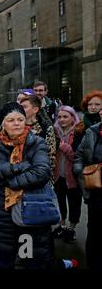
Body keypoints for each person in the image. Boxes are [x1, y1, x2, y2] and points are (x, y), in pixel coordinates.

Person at [0, 102, 53, 269]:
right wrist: (18, 167)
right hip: (3, 215)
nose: (16, 123)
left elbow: (42, 172)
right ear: (3, 123)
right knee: (5, 261)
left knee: (28, 259)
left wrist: (10, 181)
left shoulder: (36, 143)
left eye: (20, 119)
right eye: (11, 120)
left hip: (29, 215)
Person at [73, 107, 102, 270]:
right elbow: (79, 156)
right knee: (95, 233)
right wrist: (82, 172)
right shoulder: (92, 132)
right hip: (96, 191)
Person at [52, 106, 81, 243]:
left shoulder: (78, 132)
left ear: (72, 117)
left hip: (73, 176)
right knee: (60, 201)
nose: (62, 119)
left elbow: (77, 155)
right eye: (59, 117)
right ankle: (61, 225)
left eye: (65, 117)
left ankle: (71, 228)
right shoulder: (54, 131)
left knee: (74, 203)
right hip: (59, 175)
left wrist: (63, 147)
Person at [20, 95, 57, 171]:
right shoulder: (16, 127)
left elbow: (50, 157)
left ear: (35, 109)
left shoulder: (46, 128)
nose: (20, 109)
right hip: (18, 172)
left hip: (39, 174)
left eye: (24, 107)